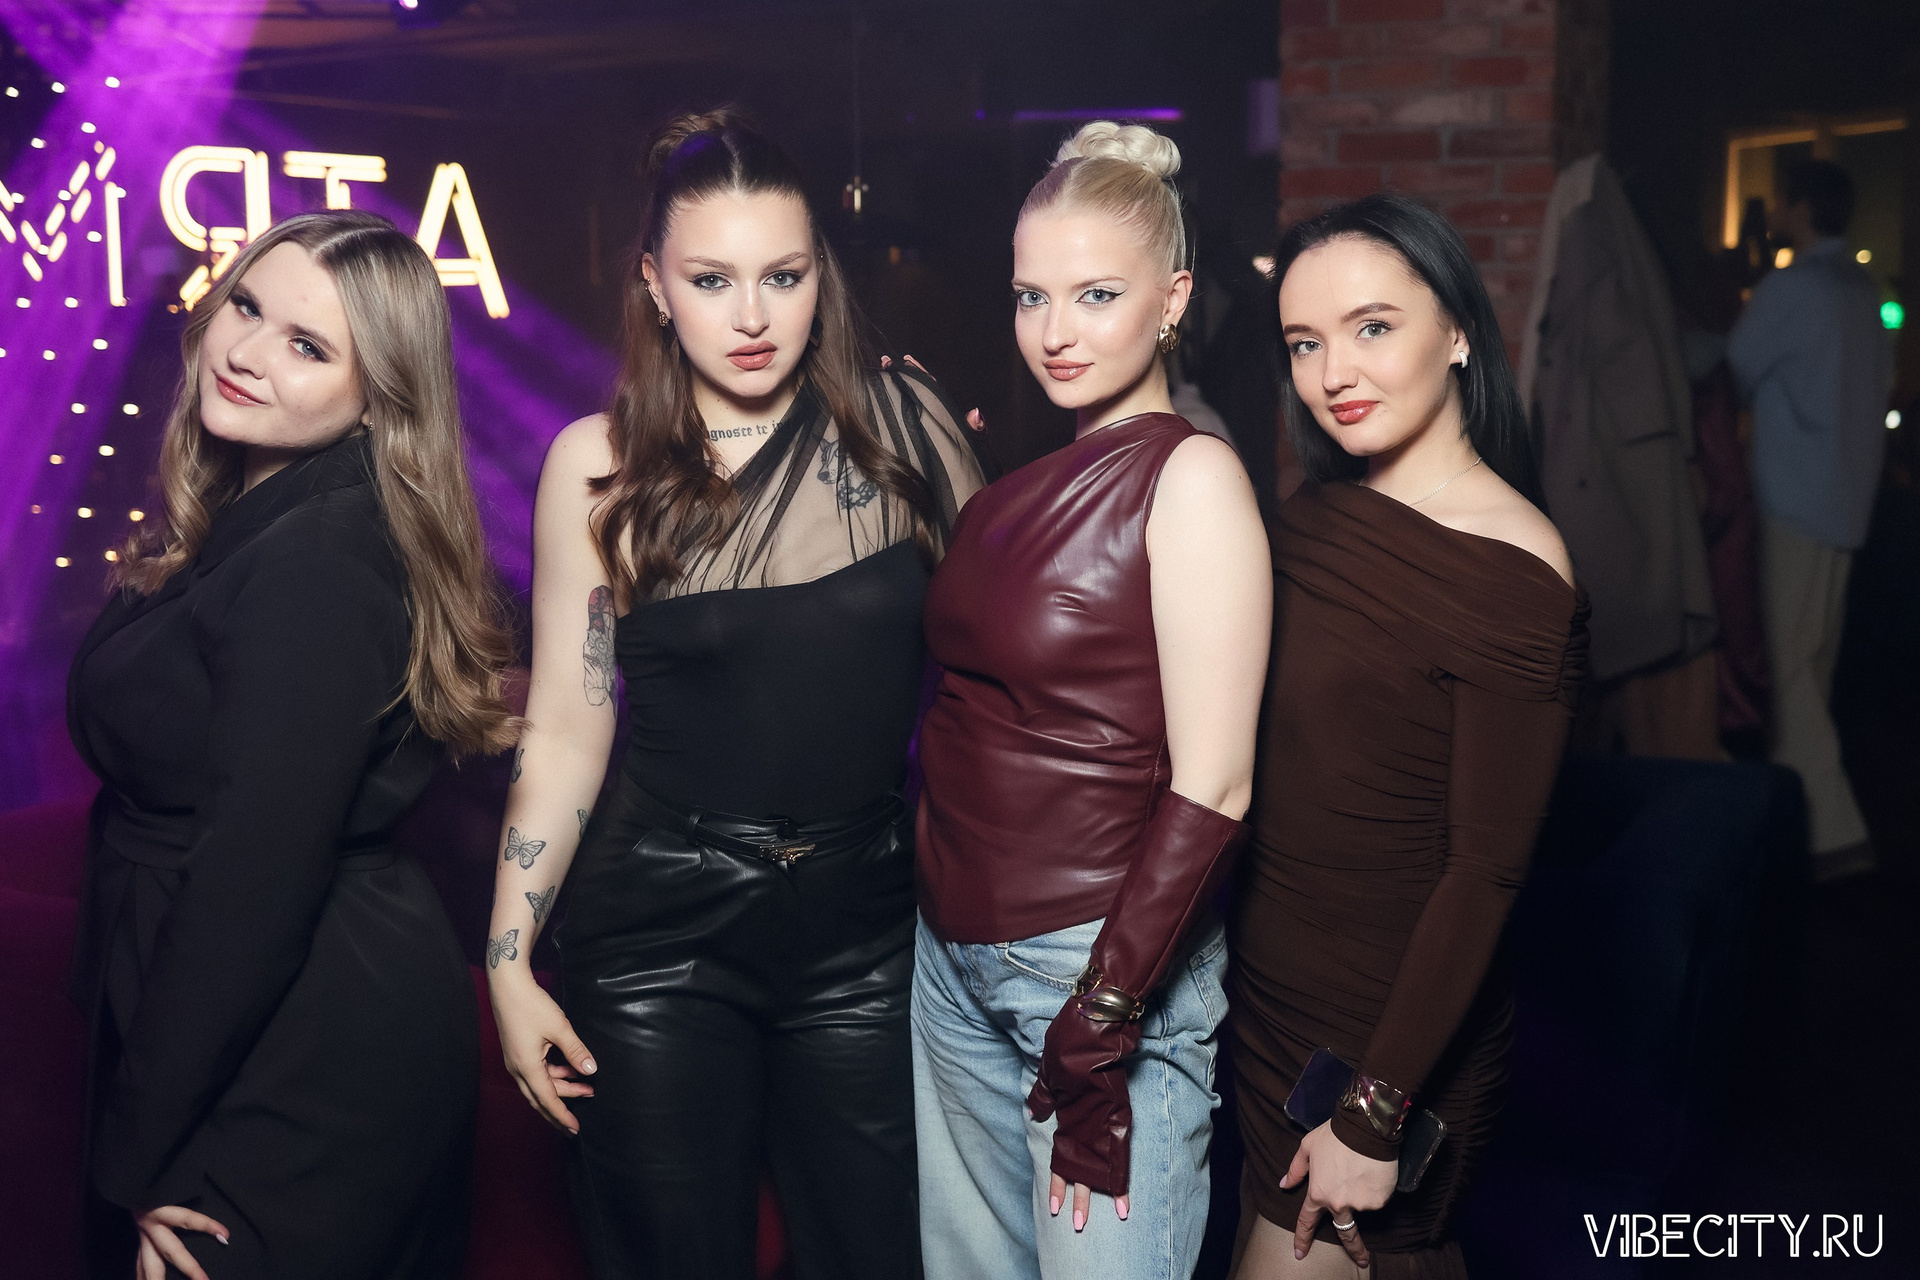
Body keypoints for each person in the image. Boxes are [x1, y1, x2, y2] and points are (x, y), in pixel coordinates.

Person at [483, 107, 983, 1280]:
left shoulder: (907, 430)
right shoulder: (596, 465)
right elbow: (566, 731)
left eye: (783, 276)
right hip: (659, 928)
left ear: (822, 275)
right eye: (712, 279)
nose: (752, 316)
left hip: (865, 922)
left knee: (877, 1257)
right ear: (655, 285)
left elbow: (1000, 672)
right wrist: (508, 957)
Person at [67, 211, 518, 1280]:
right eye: (247, 306)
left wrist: (143, 1150)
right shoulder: (258, 509)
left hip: (302, 1051)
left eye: (308, 346)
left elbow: (253, 881)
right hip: (238, 1014)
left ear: (379, 397)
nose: (248, 351)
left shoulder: (321, 559)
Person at [914, 121, 1272, 1280]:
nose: (1054, 332)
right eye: (1032, 296)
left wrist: (1105, 1014)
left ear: (1173, 299)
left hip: (1097, 966)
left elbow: (1216, 784)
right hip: (952, 962)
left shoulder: (1192, 475)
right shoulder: (1009, 490)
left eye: (1096, 295)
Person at [1230, 193, 1586, 1279]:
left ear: (1459, 332)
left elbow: (1486, 872)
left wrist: (1376, 1110)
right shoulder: (1315, 511)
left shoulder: (1517, 568)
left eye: (1372, 327)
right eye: (1305, 343)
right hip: (1268, 1001)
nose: (1333, 371)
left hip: (1387, 1036)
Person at [1728, 159, 1891, 882]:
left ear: (1798, 208)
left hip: (1791, 494)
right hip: (1849, 495)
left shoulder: (1792, 288)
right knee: (1814, 665)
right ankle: (1798, 826)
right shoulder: (1863, 288)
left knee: (1789, 669)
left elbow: (1736, 368)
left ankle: (1832, 833)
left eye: (1780, 202)